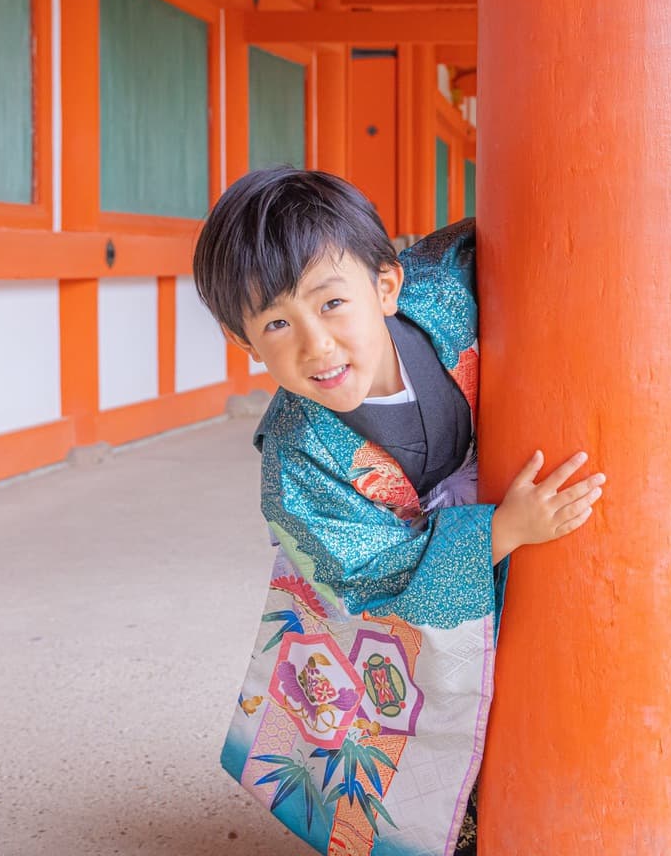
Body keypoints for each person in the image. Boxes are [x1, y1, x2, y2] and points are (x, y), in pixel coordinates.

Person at [194, 168, 605, 855]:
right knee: (394, 722)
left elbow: (508, 232)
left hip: (477, 502)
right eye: (276, 323)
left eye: (331, 304)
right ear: (247, 343)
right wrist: (501, 530)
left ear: (386, 287)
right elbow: (371, 572)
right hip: (389, 569)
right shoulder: (296, 462)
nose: (316, 344)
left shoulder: (439, 294)